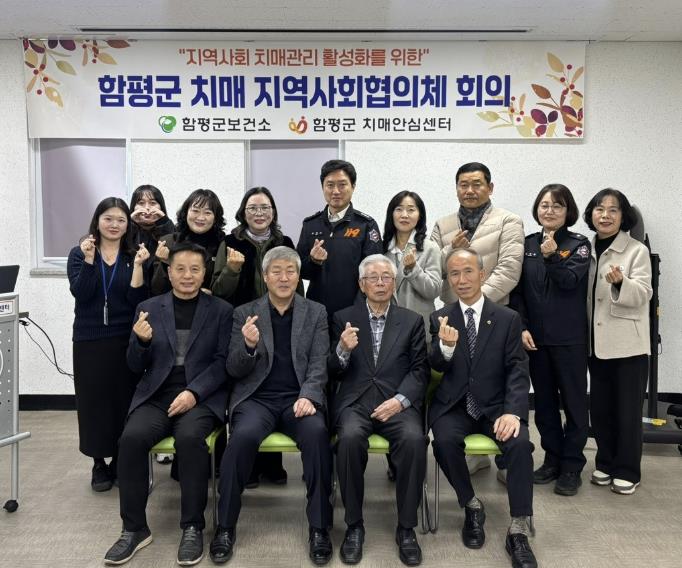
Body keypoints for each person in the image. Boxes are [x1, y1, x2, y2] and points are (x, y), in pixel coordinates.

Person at [104, 241, 234, 566]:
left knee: (190, 439)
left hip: (200, 397)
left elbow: (223, 363)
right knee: (131, 439)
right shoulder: (149, 307)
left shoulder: (221, 310)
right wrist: (142, 342)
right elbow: (134, 365)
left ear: (205, 273)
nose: (187, 276)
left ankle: (192, 527)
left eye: (195, 269)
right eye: (180, 269)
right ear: (169, 272)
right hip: (157, 394)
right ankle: (134, 529)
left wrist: (194, 393)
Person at [211, 247, 333, 566]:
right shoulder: (245, 313)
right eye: (276, 271)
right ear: (265, 277)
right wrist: (248, 346)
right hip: (257, 400)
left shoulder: (316, 312)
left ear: (298, 276)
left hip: (299, 399)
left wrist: (309, 395)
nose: (283, 277)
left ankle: (320, 528)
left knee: (317, 435)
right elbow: (234, 369)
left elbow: (319, 363)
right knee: (241, 439)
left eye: (290, 271)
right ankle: (225, 527)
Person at [429, 248, 537, 568]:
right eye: (454, 274)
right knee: (443, 442)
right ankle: (471, 505)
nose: (461, 280)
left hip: (497, 407)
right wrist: (445, 348)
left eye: (468, 272)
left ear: (482, 274)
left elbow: (517, 369)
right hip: (455, 406)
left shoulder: (507, 318)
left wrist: (512, 412)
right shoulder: (440, 318)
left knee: (520, 444)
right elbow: (434, 366)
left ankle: (518, 529)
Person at [329, 255, 428, 567]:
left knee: (414, 440)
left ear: (394, 283)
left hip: (395, 403)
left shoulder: (412, 320)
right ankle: (354, 526)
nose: (381, 283)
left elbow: (419, 370)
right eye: (373, 277)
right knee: (348, 439)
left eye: (386, 277)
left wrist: (400, 400)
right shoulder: (342, 318)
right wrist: (342, 350)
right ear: (362, 284)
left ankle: (406, 528)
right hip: (355, 402)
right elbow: (331, 370)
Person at [430, 162, 524, 476]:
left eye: (476, 184)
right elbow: (435, 269)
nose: (469, 190)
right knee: (461, 382)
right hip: (454, 320)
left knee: (496, 384)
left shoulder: (508, 221)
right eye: (463, 184)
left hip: (495, 317)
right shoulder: (443, 224)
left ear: (490, 187)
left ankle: (506, 457)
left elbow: (509, 270)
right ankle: (473, 452)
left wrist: (475, 303)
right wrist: (448, 250)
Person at [211, 187, 299, 487]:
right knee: (248, 387)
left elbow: (294, 286)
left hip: (279, 322)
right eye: (253, 208)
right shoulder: (230, 242)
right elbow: (218, 289)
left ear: (273, 212)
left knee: (274, 382)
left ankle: (272, 465)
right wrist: (232, 270)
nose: (259, 213)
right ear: (243, 212)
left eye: (265, 207)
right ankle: (246, 467)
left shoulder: (284, 242)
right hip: (242, 322)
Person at [510, 184, 590, 496]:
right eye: (544, 205)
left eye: (557, 205)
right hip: (536, 341)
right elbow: (518, 293)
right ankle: (552, 460)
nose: (549, 211)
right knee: (543, 406)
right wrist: (522, 326)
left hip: (569, 340)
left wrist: (553, 257)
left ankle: (572, 466)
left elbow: (569, 281)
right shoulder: (528, 243)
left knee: (574, 405)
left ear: (568, 211)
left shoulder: (579, 244)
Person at [67, 197, 149, 492]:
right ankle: (98, 462)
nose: (114, 225)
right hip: (89, 339)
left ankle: (119, 459)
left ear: (128, 225)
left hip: (123, 338)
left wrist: (138, 267)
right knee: (93, 402)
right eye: (108, 219)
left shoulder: (133, 255)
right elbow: (82, 293)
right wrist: (90, 260)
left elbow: (137, 301)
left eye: (121, 220)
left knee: (123, 400)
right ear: (98, 221)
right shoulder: (79, 253)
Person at [584, 188, 652, 495]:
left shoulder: (636, 250)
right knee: (600, 410)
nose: (605, 215)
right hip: (596, 344)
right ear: (591, 214)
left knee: (627, 411)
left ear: (624, 216)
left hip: (628, 345)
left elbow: (644, 294)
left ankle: (627, 470)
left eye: (613, 210)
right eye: (600, 209)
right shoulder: (586, 249)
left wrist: (622, 282)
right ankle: (606, 462)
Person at [297, 159, 383, 322]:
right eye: (330, 185)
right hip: (316, 312)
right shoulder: (310, 224)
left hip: (354, 311)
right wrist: (314, 261)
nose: (335, 191)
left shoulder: (365, 225)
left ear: (353, 186)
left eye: (342, 185)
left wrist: (361, 308)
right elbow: (300, 272)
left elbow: (374, 272)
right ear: (322, 187)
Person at [382, 190, 441, 337]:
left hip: (419, 328)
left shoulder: (429, 248)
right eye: (399, 209)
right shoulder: (382, 249)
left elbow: (433, 290)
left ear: (420, 215)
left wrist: (413, 269)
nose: (404, 215)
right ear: (391, 214)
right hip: (387, 328)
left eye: (411, 210)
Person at [151, 188, 225, 295]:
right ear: (185, 213)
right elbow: (157, 289)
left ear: (216, 218)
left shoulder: (223, 245)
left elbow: (225, 289)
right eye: (195, 211)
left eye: (207, 212)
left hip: (210, 304)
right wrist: (166, 262)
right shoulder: (168, 242)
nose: (201, 217)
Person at [129, 184, 175, 258]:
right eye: (141, 203)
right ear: (133, 207)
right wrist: (130, 222)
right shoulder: (127, 228)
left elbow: (173, 248)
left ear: (161, 207)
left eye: (153, 203)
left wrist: (164, 221)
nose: (147, 207)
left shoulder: (169, 227)